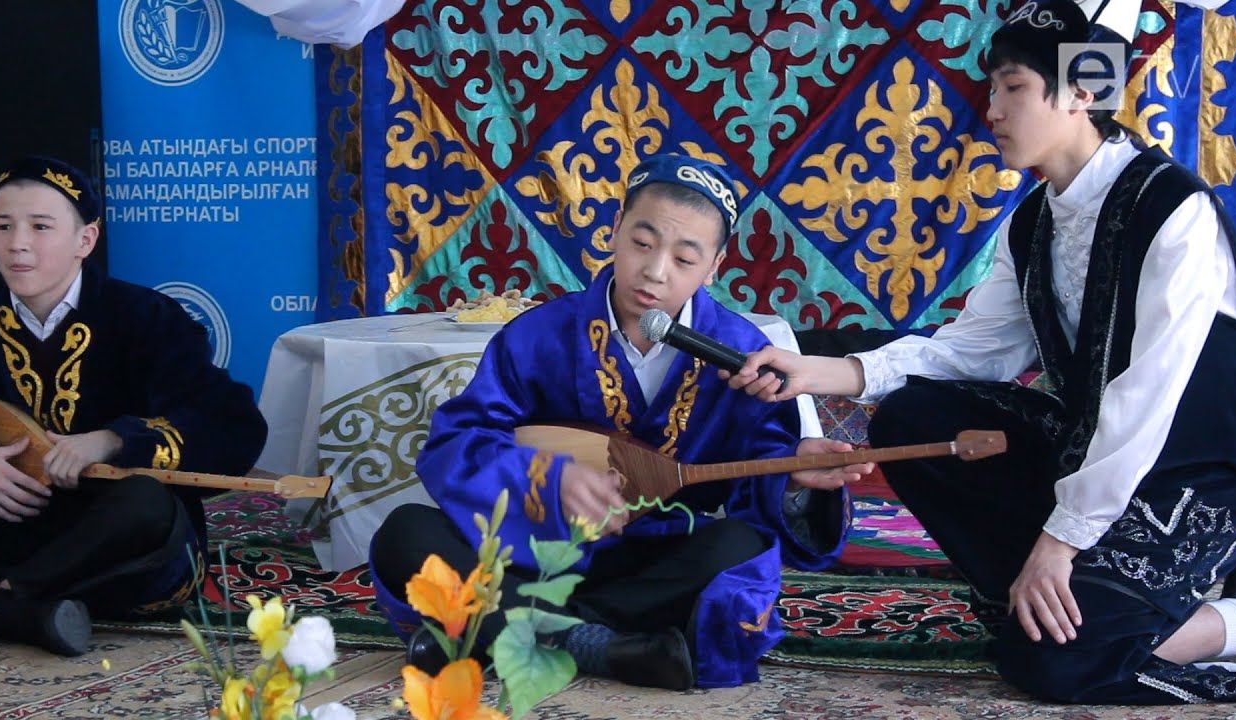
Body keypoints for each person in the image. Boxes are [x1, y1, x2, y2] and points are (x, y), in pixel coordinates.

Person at [727, 0, 1236, 704]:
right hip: (1092, 451)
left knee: (1054, 667)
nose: (993, 111)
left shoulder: (1175, 211)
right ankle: (1047, 603)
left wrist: (1060, 542)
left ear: (1082, 91)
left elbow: (1146, 398)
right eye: (992, 90)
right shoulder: (1035, 220)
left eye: (1013, 87)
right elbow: (974, 351)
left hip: (1191, 471)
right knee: (914, 416)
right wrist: (819, 373)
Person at [369, 154, 873, 690]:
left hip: (654, 559)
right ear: (614, 230)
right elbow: (458, 441)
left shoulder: (741, 352)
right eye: (642, 243)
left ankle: (507, 629)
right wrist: (546, 478)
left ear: (714, 266)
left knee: (740, 548)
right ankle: (605, 646)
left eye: (684, 258)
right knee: (406, 531)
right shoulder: (540, 334)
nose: (656, 271)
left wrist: (792, 478)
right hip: (536, 546)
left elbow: (757, 477)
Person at [0, 156, 268, 656]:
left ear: (85, 240)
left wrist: (114, 439)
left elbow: (231, 422)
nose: (17, 243)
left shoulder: (146, 316)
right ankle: (24, 613)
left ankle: (6, 600)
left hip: (112, 537)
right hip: (6, 522)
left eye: (40, 226)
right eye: (3, 225)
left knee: (147, 502)